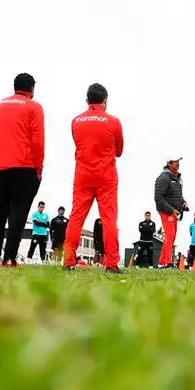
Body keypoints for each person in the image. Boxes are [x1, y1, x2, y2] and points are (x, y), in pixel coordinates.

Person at [63, 84, 125, 273]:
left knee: (76, 217)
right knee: (108, 219)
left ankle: (68, 260)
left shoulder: (76, 121)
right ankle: (112, 263)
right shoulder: (114, 122)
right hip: (106, 177)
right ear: (104, 101)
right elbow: (119, 151)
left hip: (83, 176)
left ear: (87, 100)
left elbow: (78, 143)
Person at [0, 73, 45, 268]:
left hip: (2, 165)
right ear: (32, 89)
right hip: (25, 166)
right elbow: (37, 140)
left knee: (0, 211)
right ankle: (10, 258)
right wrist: (39, 168)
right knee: (19, 213)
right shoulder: (34, 107)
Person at [154, 157, 187, 269]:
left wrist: (183, 202)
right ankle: (167, 262)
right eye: (175, 162)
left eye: (179, 161)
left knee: (171, 237)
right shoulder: (163, 178)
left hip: (174, 212)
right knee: (170, 235)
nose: (178, 164)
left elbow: (177, 195)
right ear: (169, 163)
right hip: (166, 211)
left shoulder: (176, 178)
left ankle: (162, 262)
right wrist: (171, 209)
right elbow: (158, 198)